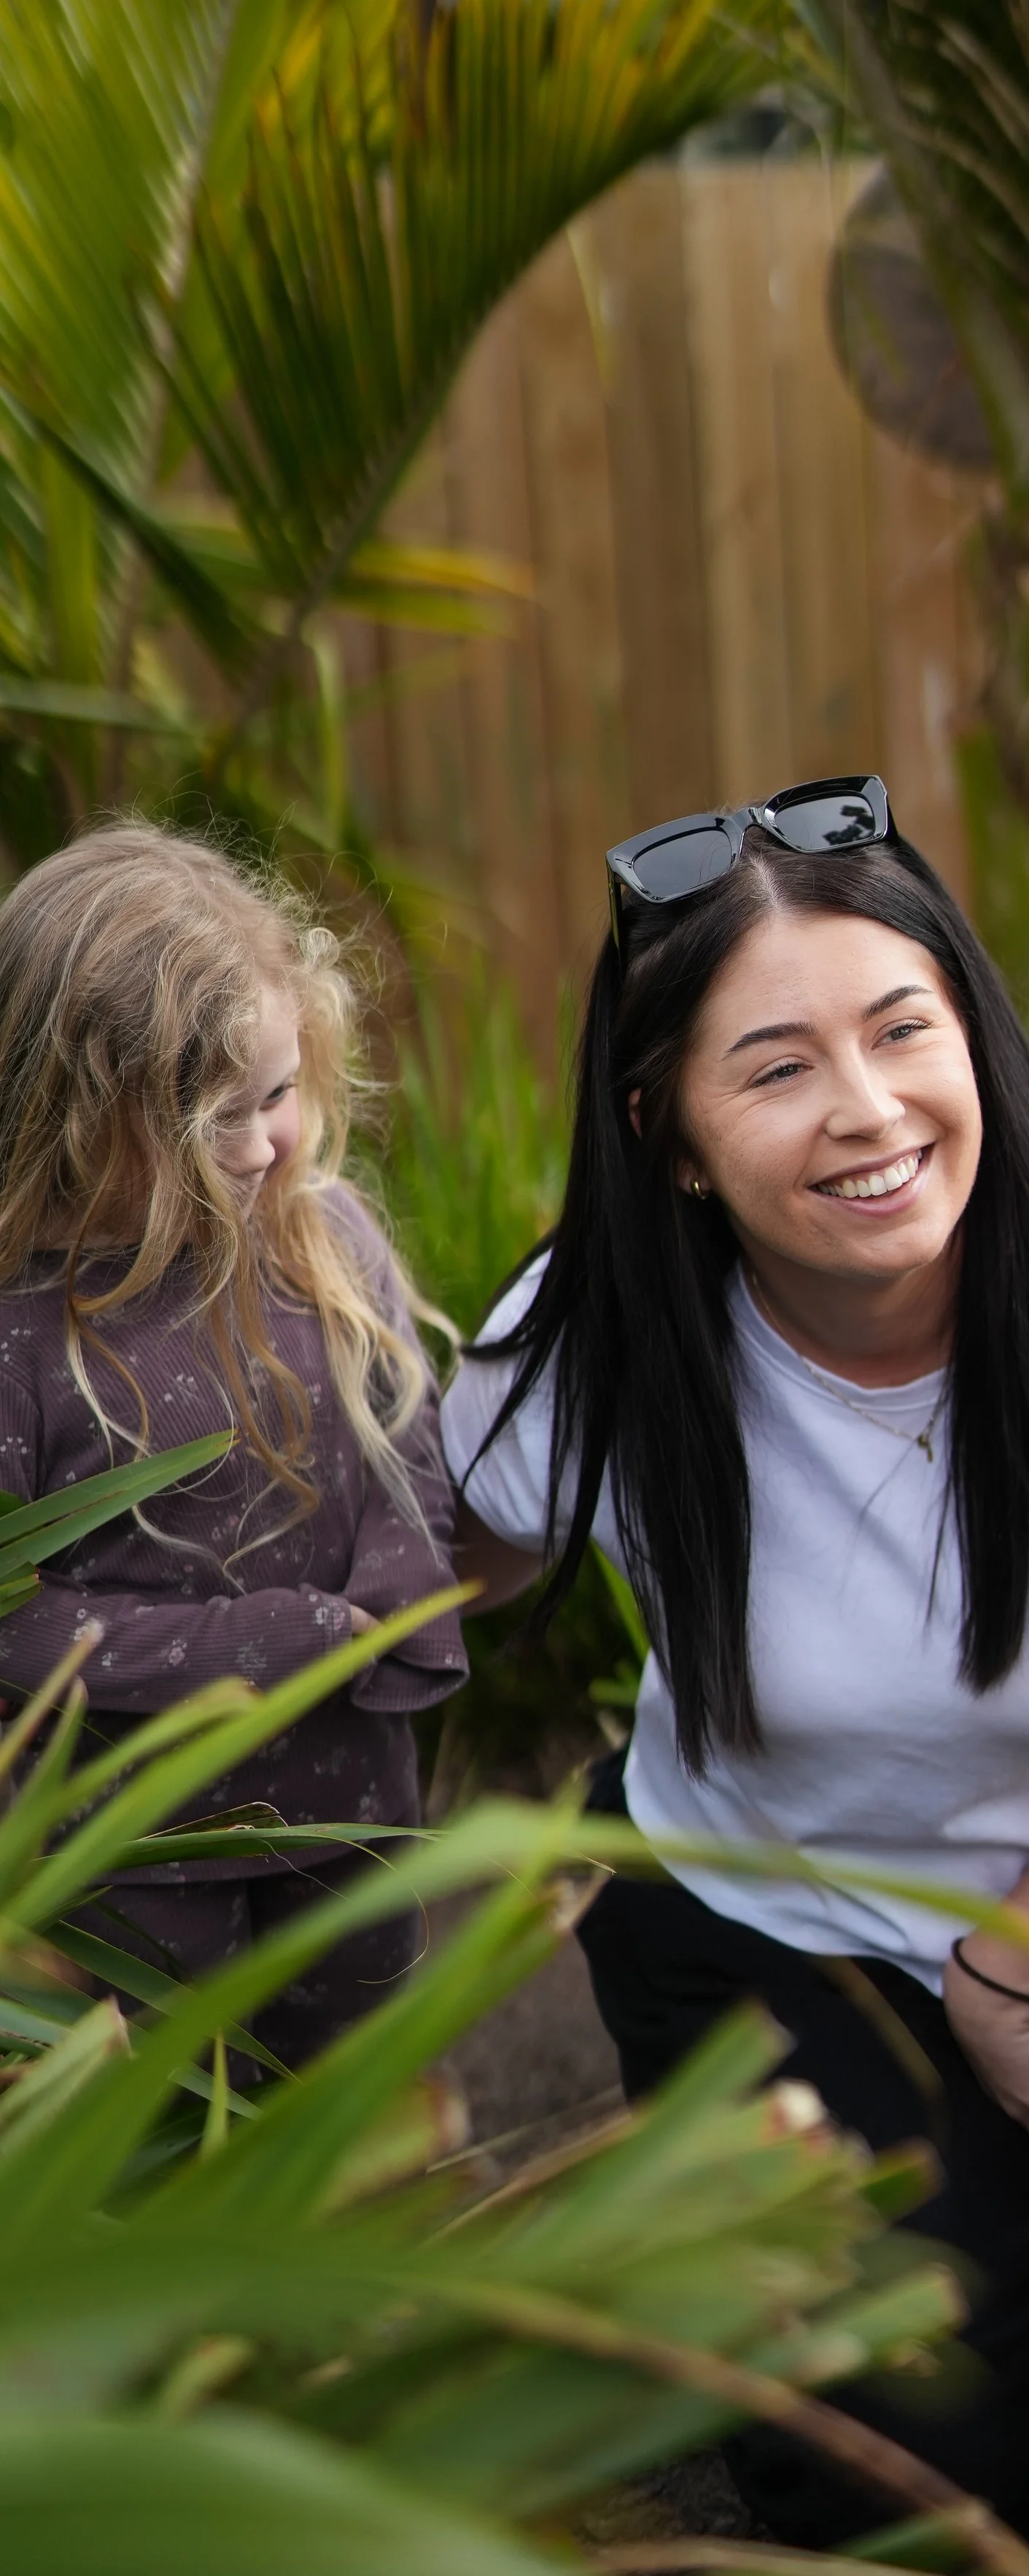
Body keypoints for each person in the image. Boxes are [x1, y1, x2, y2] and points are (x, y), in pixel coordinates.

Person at [442, 777, 1029, 2575]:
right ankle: (998, 2250)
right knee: (926, 2460)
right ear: (673, 1138)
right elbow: (399, 1605)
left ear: (971, 1030)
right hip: (777, 1911)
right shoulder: (595, 1354)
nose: (865, 1113)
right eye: (775, 1068)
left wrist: (1009, 1973)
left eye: (897, 1030)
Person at [0, 824, 466, 2066]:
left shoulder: (319, 1229)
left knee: (359, 2103)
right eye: (217, 1118)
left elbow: (397, 1426)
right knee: (171, 2129)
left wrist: (406, 1600)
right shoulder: (26, 1327)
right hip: (126, 1842)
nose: (268, 1145)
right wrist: (260, 1642)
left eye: (281, 1093)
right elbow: (12, 1617)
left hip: (350, 1798)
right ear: (76, 1114)